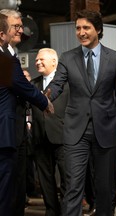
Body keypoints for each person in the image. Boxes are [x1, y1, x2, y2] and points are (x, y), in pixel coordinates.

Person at [45, 9, 116, 216]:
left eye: (86, 27)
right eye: (78, 28)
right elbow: (57, 85)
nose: (81, 32)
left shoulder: (115, 59)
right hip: (76, 133)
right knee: (73, 187)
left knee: (105, 189)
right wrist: (44, 98)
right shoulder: (68, 58)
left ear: (98, 30)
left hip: (107, 131)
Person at [0, 13, 54, 216]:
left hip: (13, 131)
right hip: (5, 132)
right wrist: (44, 102)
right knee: (5, 190)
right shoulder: (4, 59)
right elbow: (20, 85)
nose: (18, 31)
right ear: (2, 34)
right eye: (12, 27)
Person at [30, 48, 69, 216]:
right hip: (40, 138)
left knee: (68, 178)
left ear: (54, 62)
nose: (37, 62)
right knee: (45, 179)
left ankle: (67, 210)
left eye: (41, 59)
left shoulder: (68, 84)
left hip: (64, 138)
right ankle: (52, 210)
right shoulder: (32, 85)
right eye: (36, 60)